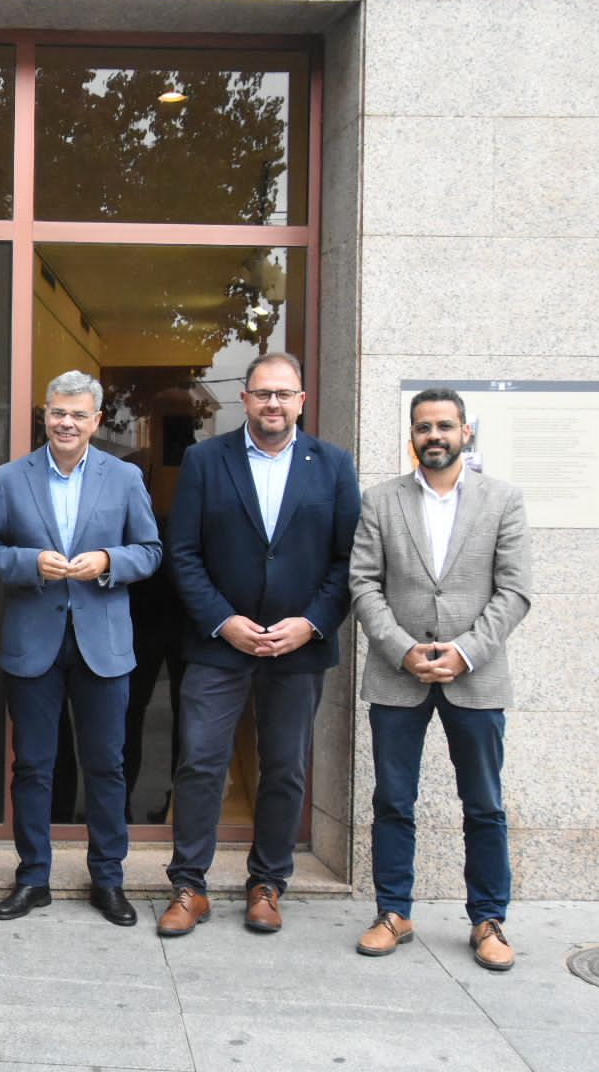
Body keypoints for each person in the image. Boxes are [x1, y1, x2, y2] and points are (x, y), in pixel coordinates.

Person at [160, 351, 359, 938]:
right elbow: (183, 553)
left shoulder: (333, 466)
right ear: (243, 399)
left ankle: (267, 884)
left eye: (284, 394)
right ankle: (188, 885)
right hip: (220, 643)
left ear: (301, 401)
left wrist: (312, 623)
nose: (273, 403)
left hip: (297, 647)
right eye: (262, 393)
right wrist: (223, 621)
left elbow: (350, 560)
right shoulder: (204, 460)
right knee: (200, 763)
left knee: (284, 769)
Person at [0, 370, 161, 927]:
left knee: (106, 766)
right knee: (32, 767)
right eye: (57, 412)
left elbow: (150, 551)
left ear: (96, 420)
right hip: (34, 644)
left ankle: (108, 878)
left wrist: (108, 562)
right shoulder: (10, 478)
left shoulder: (124, 477)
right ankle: (33, 877)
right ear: (44, 415)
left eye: (78, 414)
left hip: (103, 644)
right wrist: (28, 563)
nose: (66, 423)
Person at [349, 387, 531, 969]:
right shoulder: (380, 501)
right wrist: (402, 650)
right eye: (424, 427)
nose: (435, 436)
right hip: (397, 675)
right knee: (394, 800)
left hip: (474, 677)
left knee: (483, 804)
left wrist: (466, 652)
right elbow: (363, 584)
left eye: (445, 427)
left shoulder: (503, 501)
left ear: (465, 433)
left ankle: (488, 920)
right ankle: (393, 912)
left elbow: (515, 590)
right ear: (412, 436)